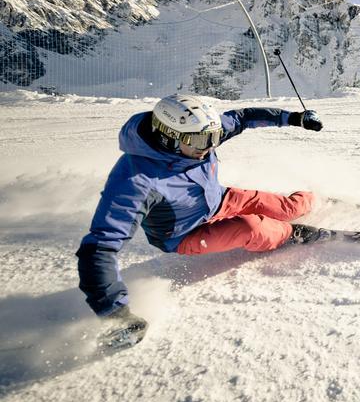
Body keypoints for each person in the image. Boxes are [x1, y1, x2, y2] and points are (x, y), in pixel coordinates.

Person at [77, 94, 327, 348]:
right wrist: (115, 315)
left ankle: (318, 199)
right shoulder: (136, 181)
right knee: (251, 228)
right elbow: (98, 248)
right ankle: (288, 234)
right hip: (185, 234)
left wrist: (294, 118)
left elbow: (242, 118)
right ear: (168, 137)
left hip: (217, 200)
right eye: (199, 142)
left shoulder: (198, 133)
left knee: (288, 206)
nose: (208, 147)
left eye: (213, 139)